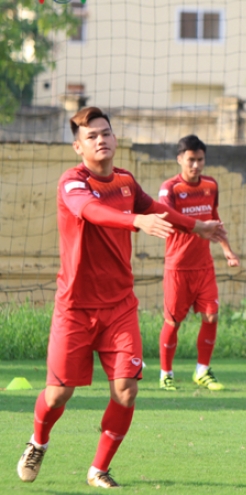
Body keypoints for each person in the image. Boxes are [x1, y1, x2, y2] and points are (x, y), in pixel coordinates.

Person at [17, 107, 225, 488]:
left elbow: (154, 207)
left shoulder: (126, 182)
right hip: (75, 306)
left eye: (106, 132)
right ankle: (38, 442)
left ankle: (99, 469)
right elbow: (90, 210)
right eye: (92, 136)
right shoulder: (72, 182)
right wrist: (134, 221)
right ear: (78, 147)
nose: (102, 139)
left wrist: (198, 227)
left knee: (126, 391)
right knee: (59, 393)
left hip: (119, 306)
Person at [157, 135, 240, 392]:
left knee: (212, 316)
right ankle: (166, 373)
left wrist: (227, 250)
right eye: (191, 160)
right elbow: (168, 217)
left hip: (204, 266)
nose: (195, 165)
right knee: (173, 322)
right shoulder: (169, 188)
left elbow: (214, 220)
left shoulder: (210, 185)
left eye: (200, 160)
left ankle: (202, 371)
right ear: (180, 159)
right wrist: (198, 228)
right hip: (178, 266)